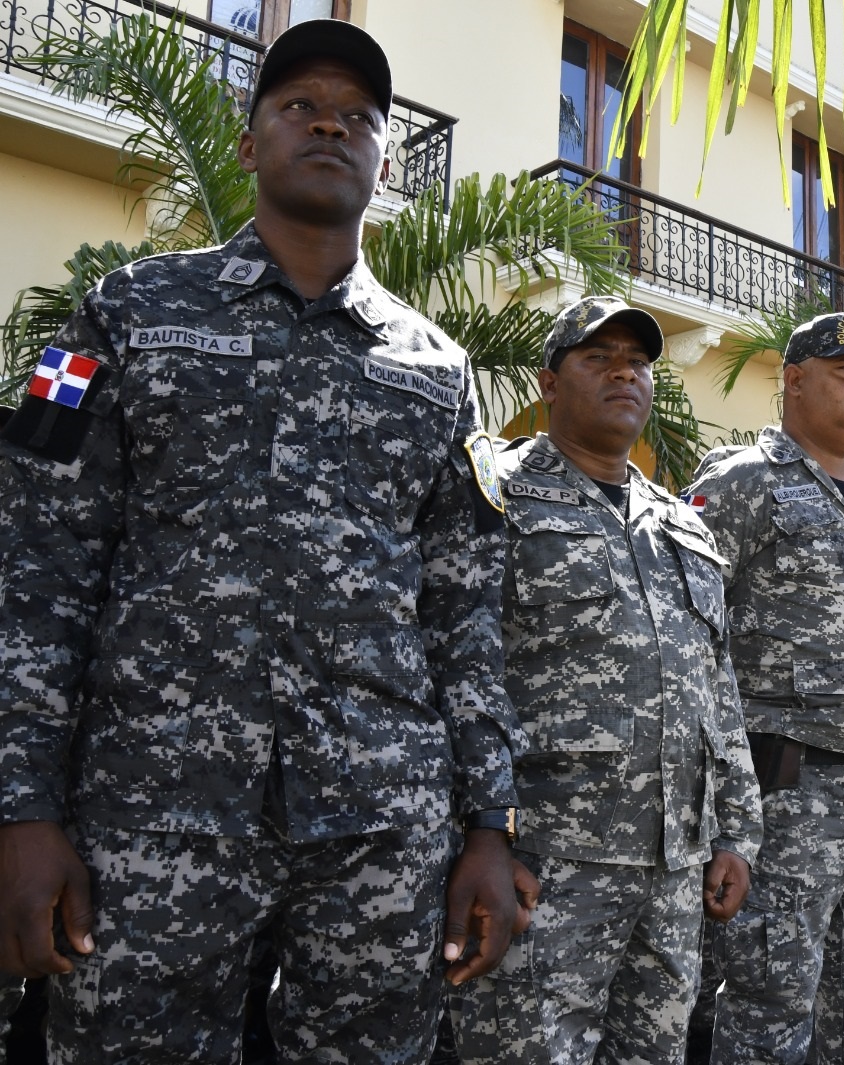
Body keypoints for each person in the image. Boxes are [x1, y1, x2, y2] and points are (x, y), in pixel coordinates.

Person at [0, 21, 532, 1062]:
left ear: (383, 161)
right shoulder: (125, 314)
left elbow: (465, 615)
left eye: (361, 116)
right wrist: (21, 809)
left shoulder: (438, 369)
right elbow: (36, 567)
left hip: (380, 828)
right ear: (249, 145)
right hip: (151, 813)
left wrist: (488, 827)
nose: (332, 121)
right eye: (300, 105)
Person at [453, 298, 762, 1064]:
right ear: (549, 383)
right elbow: (459, 666)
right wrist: (478, 834)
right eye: (598, 357)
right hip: (548, 866)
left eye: (638, 361)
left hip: (673, 871)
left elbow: (717, 691)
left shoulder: (681, 523)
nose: (624, 371)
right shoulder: (497, 494)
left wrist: (736, 834)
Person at [686, 312, 844, 1065]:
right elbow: (692, 632)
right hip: (790, 786)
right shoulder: (744, 481)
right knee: (771, 997)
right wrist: (723, 802)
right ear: (793, 379)